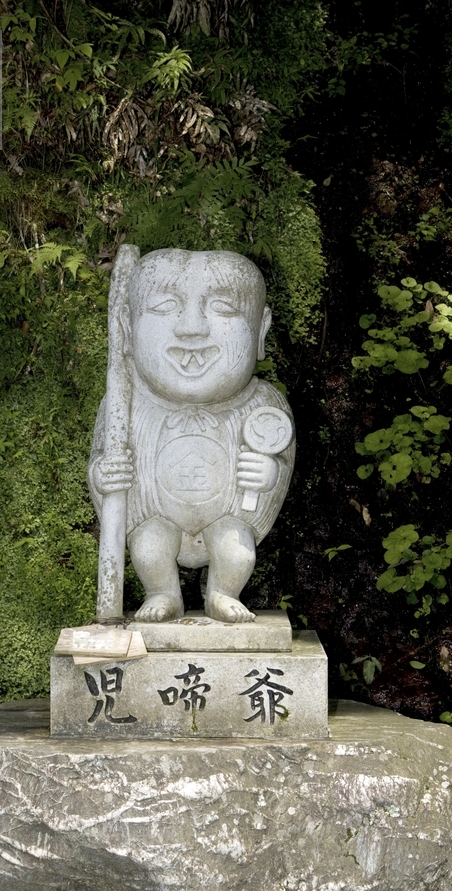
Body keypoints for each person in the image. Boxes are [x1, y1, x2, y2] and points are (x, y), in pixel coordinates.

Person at [88, 248, 295, 623]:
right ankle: (162, 592)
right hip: (156, 517)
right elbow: (100, 463)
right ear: (127, 328)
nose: (191, 328)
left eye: (224, 308)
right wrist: (104, 476)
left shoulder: (264, 404)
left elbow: (279, 467)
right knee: (148, 547)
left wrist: (269, 474)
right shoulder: (123, 403)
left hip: (227, 518)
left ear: (261, 330)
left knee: (238, 551)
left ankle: (223, 592)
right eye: (164, 307)